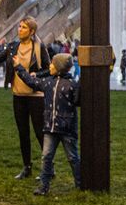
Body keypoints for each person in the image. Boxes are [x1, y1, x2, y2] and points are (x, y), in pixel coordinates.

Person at [0, 18, 52, 178]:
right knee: (23, 133)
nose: (20, 29)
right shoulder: (12, 47)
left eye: (24, 27)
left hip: (36, 97)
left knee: (39, 133)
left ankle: (49, 168)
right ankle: (27, 167)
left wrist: (36, 74)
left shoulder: (39, 47)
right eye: (19, 26)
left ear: (32, 32)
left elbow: (49, 70)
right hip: (18, 96)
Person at [14, 53, 83, 195]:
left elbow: (78, 101)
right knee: (46, 157)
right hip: (50, 128)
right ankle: (43, 187)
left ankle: (80, 183)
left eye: (52, 64)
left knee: (73, 157)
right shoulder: (49, 82)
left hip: (66, 129)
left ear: (59, 68)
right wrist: (19, 68)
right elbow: (31, 81)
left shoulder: (71, 85)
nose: (49, 66)